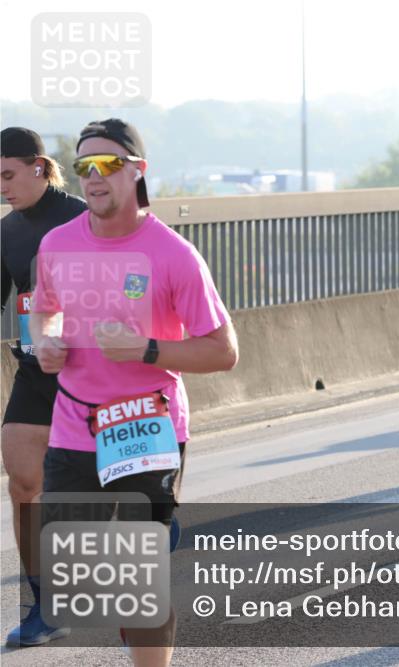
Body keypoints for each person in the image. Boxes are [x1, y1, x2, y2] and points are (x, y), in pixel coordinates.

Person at [31, 118, 239, 665]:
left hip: (147, 426)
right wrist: (47, 341)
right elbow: (45, 310)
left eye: (108, 164)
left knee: (140, 577)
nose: (94, 177)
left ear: (138, 171)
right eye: (84, 167)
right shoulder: (56, 244)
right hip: (76, 425)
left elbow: (222, 351)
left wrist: (146, 350)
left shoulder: (174, 255)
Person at [1, 127, 87, 647]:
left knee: (104, 489)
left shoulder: (84, 215)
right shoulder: (7, 232)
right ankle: (46, 605)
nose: (2, 187)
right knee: (23, 481)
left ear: (37, 166)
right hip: (36, 372)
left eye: (8, 175)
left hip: (96, 373)